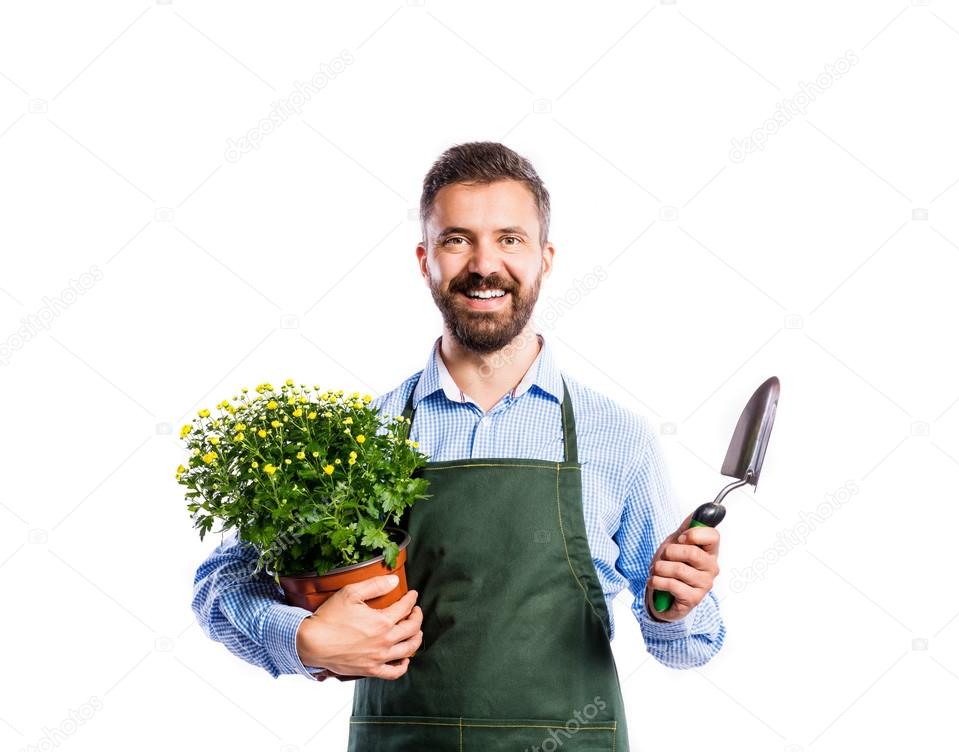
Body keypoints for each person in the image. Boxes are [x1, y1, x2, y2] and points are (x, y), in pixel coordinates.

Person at [192, 141, 726, 750]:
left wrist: (679, 608)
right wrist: (300, 638)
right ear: (425, 260)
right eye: (457, 239)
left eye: (510, 239)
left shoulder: (617, 438)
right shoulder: (363, 435)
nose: (484, 264)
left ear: (545, 259)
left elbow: (688, 650)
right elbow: (223, 579)